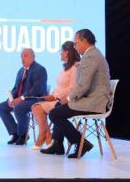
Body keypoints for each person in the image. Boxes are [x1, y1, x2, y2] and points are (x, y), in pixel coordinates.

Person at [42, 29, 111, 158]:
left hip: (96, 102)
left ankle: (81, 142)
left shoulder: (91, 56)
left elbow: (83, 85)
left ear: (84, 41)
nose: (75, 46)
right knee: (57, 108)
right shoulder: (92, 54)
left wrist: (68, 98)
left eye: (76, 42)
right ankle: (58, 143)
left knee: (54, 113)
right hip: (92, 98)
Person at [30, 41, 80, 150]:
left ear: (66, 52)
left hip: (66, 100)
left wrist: (55, 97)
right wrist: (50, 96)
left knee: (39, 108)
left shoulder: (75, 67)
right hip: (57, 98)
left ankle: (43, 137)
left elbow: (72, 89)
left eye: (61, 51)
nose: (60, 53)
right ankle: (48, 136)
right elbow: (59, 87)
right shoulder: (65, 67)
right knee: (34, 106)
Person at [0, 48, 48, 145]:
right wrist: (11, 99)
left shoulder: (40, 69)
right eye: (21, 56)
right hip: (21, 100)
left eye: (25, 56)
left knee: (19, 107)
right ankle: (15, 133)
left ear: (33, 57)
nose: (22, 59)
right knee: (1, 107)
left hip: (35, 99)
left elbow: (37, 89)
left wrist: (21, 99)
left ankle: (23, 134)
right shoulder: (21, 71)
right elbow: (16, 88)